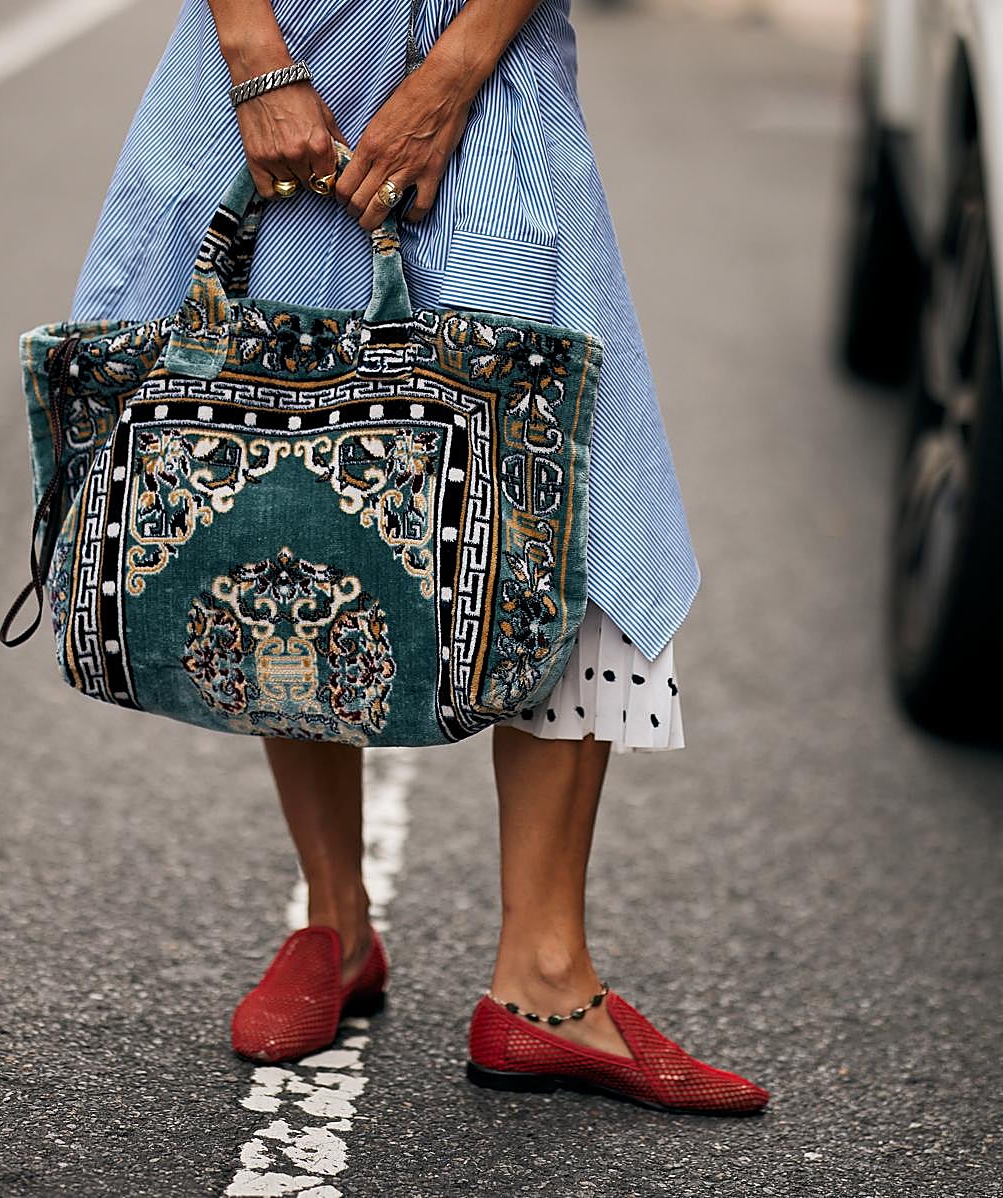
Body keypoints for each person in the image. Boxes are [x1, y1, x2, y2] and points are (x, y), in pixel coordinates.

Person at [70, 0, 768, 1114]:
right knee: (279, 479)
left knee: (560, 487)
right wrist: (254, 55)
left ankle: (543, 978)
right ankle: (336, 920)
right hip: (280, 51)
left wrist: (455, 70)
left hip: (483, 66)